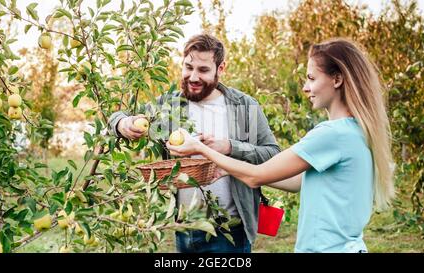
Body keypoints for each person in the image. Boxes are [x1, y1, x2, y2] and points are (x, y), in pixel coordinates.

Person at [167, 38, 395, 253]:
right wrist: (227, 169)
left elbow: (256, 176)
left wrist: (200, 148)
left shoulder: (332, 134)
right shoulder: (355, 130)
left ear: (337, 80)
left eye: (312, 79)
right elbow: (296, 181)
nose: (305, 88)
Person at [108, 34, 280, 253]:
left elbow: (273, 155)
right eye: (188, 67)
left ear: (221, 68)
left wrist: (229, 146)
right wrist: (124, 123)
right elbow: (117, 119)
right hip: (184, 229)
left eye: (203, 70)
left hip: (228, 232)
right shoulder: (169, 106)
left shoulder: (243, 106)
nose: (193, 77)